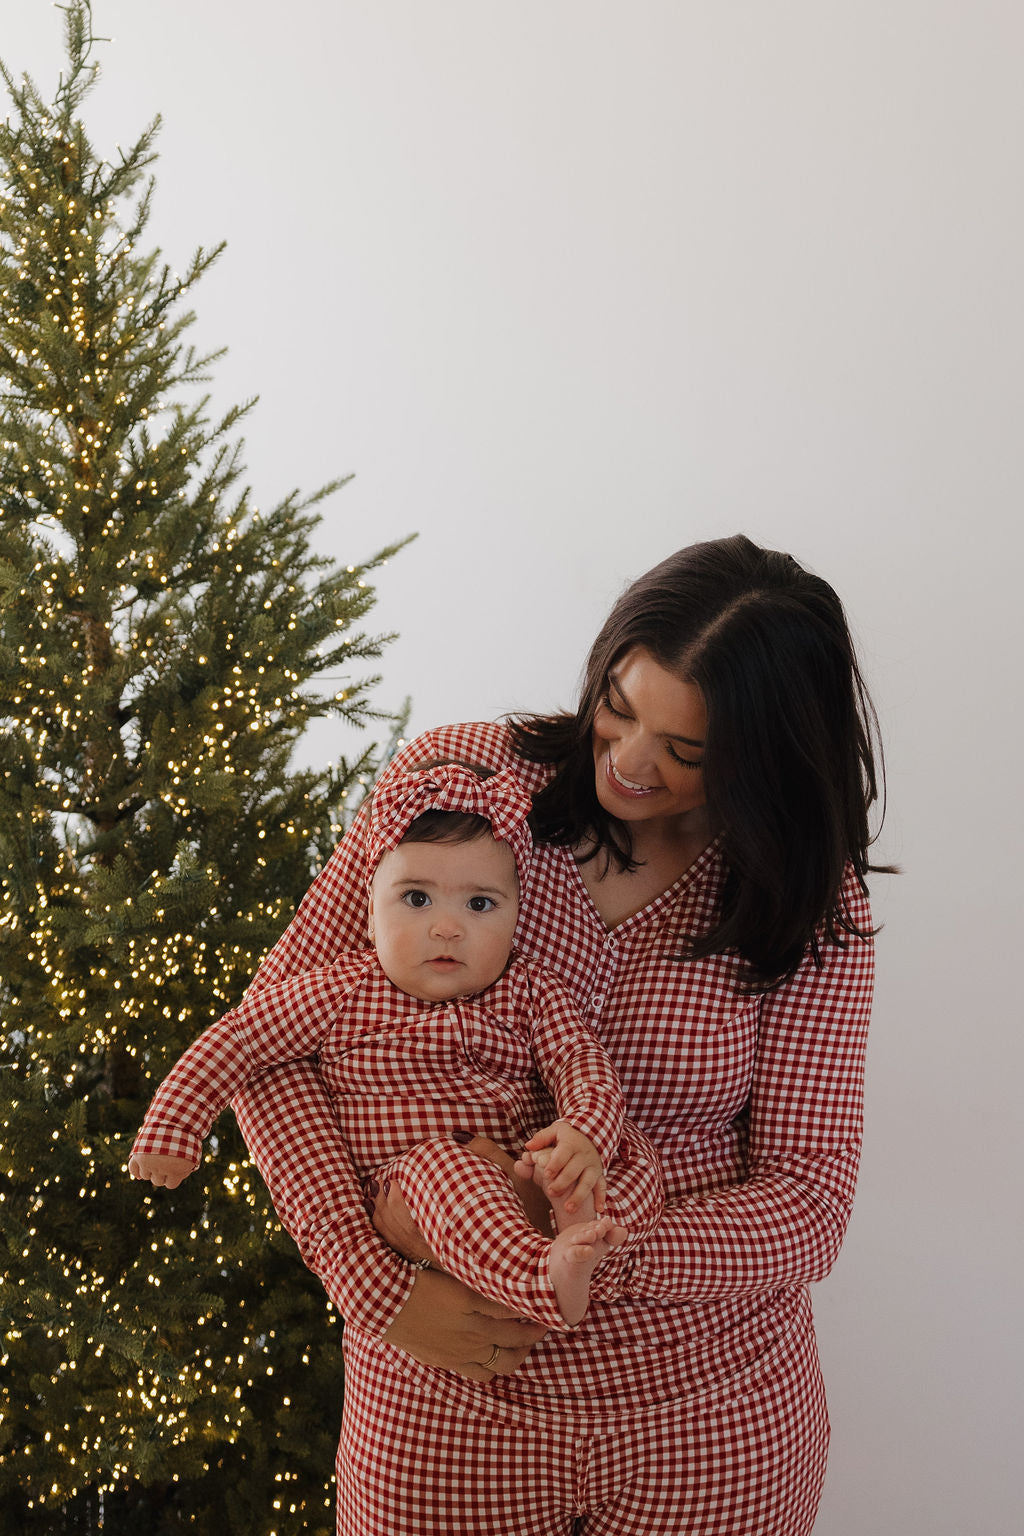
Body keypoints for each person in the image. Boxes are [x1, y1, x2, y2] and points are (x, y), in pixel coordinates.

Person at [228, 534, 884, 1535]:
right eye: (618, 708)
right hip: (447, 1397)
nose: (630, 762)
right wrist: (369, 1284)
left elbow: (809, 1202)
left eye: (687, 752)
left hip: (713, 1417)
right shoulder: (459, 786)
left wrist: (594, 1251)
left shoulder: (805, 896)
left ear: (766, 757)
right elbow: (269, 1041)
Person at [129, 761, 664, 1328]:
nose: (447, 927)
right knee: (444, 1172)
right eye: (416, 898)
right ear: (370, 911)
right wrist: (175, 1126)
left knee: (632, 1157)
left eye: (480, 904)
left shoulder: (530, 989)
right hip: (419, 1185)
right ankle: (544, 1274)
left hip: (533, 1166)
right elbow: (241, 1037)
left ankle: (579, 1234)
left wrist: (584, 1131)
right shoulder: (342, 991)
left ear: (516, 916)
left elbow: (580, 1060)